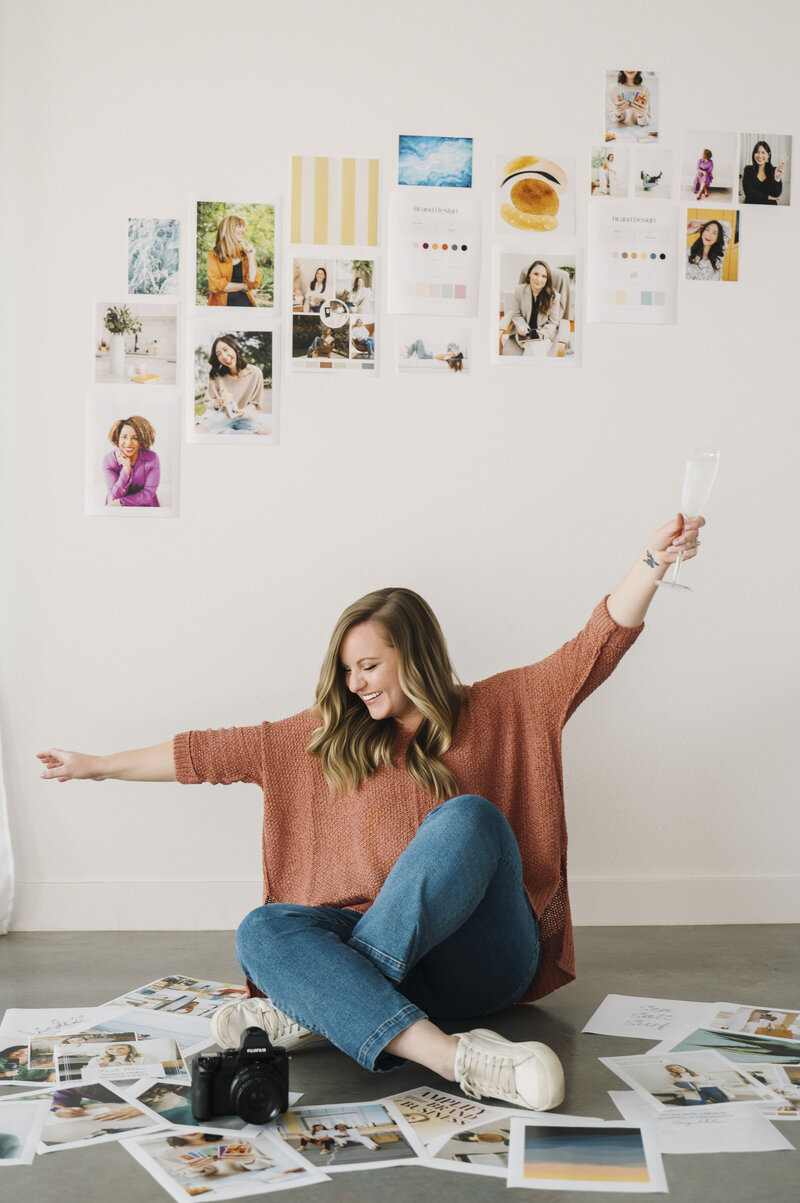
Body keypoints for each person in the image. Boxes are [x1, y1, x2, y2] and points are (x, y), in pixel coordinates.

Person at [38, 514, 705, 1114]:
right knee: (261, 931)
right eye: (347, 668)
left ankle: (327, 1004)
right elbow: (204, 753)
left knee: (469, 818)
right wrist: (96, 763)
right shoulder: (323, 737)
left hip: (478, 956)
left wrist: (652, 562)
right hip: (388, 961)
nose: (355, 683)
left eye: (369, 665)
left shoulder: (503, 706)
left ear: (411, 655)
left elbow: (596, 645)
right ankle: (459, 1058)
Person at [197, 335, 269, 436]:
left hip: (245, 417)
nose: (224, 356)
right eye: (219, 354)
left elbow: (255, 404)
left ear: (236, 349)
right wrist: (216, 403)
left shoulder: (255, 373)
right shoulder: (217, 376)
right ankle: (228, 432)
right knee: (198, 431)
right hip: (223, 416)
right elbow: (208, 400)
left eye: (226, 350)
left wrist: (242, 412)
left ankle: (226, 433)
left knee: (266, 433)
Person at [504, 261, 563, 356]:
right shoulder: (519, 291)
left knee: (534, 346)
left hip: (543, 334)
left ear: (547, 279)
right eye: (536, 274)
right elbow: (516, 314)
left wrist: (542, 334)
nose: (539, 279)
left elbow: (553, 322)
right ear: (529, 275)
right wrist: (522, 327)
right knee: (534, 348)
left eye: (544, 276)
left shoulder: (554, 296)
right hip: (523, 332)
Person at [102, 416, 160, 507]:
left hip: (145, 507)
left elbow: (148, 494)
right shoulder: (109, 460)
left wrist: (122, 502)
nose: (128, 443)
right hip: (115, 507)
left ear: (141, 440)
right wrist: (126, 470)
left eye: (135, 438)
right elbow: (114, 496)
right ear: (118, 438)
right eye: (124, 437)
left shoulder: (152, 458)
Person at [206, 214, 261, 307]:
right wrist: (243, 286)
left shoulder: (245, 253)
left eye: (243, 227)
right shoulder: (214, 254)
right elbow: (215, 285)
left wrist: (251, 258)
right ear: (228, 229)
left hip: (246, 306)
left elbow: (253, 283)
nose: (243, 230)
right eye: (239, 226)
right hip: (221, 307)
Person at [607, 70, 652, 135]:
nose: (630, 69)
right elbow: (612, 120)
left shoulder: (645, 89)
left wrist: (641, 115)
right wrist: (617, 114)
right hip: (618, 133)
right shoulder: (612, 89)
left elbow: (645, 123)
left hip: (639, 134)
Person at [742, 140, 785, 204]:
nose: (759, 155)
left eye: (763, 152)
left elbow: (776, 194)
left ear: (768, 155)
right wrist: (768, 197)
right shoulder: (748, 169)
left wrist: (777, 177)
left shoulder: (774, 170)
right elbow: (749, 193)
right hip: (751, 206)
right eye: (757, 152)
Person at [665, 1064, 731, 1105]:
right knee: (694, 1107)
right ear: (672, 1071)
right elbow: (670, 1086)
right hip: (692, 1091)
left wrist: (703, 1082)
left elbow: (721, 1080)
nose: (676, 1070)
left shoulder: (700, 1073)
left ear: (683, 1067)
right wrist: (684, 1087)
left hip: (710, 1088)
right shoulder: (673, 1077)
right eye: (672, 1070)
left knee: (725, 1103)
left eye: (677, 1067)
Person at [86, 1042, 158, 1069]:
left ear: (130, 1048)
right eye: (111, 1048)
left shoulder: (145, 1057)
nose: (116, 1050)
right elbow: (89, 1077)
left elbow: (156, 1072)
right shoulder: (96, 1060)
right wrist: (98, 1069)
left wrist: (134, 1067)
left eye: (121, 1048)